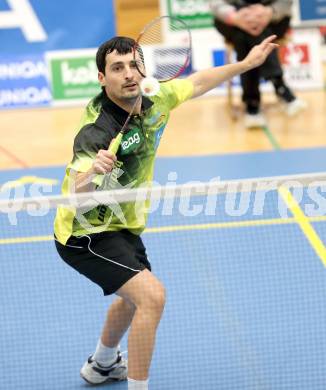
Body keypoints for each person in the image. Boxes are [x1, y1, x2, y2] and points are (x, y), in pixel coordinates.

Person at [54, 34, 278, 390]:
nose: (129, 74)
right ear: (102, 78)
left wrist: (247, 64)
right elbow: (74, 197)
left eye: (134, 64)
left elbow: (198, 82)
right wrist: (93, 173)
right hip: (86, 233)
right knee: (153, 297)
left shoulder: (155, 99)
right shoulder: (97, 131)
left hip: (125, 225)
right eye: (117, 68)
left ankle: (102, 364)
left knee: (132, 299)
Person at [210, 0, 306, 128]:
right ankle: (281, 88)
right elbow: (216, 4)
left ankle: (252, 105)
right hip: (232, 20)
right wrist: (234, 17)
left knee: (244, 37)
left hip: (273, 20)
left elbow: (286, 2)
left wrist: (270, 12)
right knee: (246, 33)